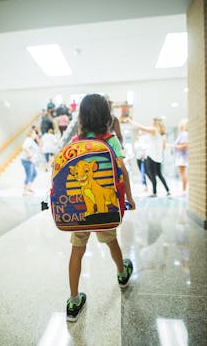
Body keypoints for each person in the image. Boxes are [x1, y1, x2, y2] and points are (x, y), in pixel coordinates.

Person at [65, 94, 135, 322]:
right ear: (106, 116)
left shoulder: (75, 142)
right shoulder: (111, 140)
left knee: (77, 250)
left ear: (82, 117)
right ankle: (122, 272)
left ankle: (74, 301)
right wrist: (130, 198)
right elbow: (123, 171)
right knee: (111, 241)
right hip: (105, 208)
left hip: (80, 211)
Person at [128, 117, 170, 197]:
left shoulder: (154, 130)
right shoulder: (163, 134)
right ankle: (168, 190)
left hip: (151, 156)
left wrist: (131, 121)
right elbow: (164, 147)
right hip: (159, 157)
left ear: (155, 123)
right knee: (159, 174)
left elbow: (141, 127)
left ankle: (154, 192)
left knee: (151, 174)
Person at [169, 119, 188, 195]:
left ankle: (184, 190)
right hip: (180, 156)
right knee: (182, 173)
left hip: (182, 157)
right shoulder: (183, 134)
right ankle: (184, 189)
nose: (179, 126)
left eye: (180, 125)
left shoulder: (184, 134)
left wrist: (173, 146)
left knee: (182, 173)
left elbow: (184, 145)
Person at [21, 129, 39, 195]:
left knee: (34, 174)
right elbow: (25, 147)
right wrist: (30, 155)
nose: (35, 135)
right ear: (31, 134)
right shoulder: (28, 139)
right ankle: (25, 191)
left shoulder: (31, 140)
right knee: (29, 175)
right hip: (27, 161)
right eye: (34, 133)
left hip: (30, 161)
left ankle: (28, 188)